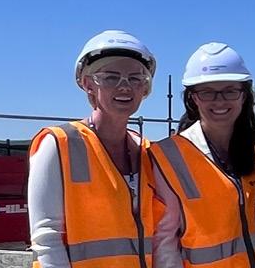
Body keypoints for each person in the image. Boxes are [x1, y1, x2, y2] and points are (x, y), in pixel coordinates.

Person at [28, 30, 159, 268]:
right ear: (88, 85)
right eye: (111, 77)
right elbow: (47, 241)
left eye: (135, 78)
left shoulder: (148, 152)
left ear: (145, 88)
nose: (125, 87)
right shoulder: (59, 144)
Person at [150, 42, 255, 268]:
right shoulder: (166, 156)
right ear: (193, 98)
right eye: (207, 92)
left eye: (230, 91)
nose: (220, 101)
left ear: (244, 96)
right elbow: (164, 243)